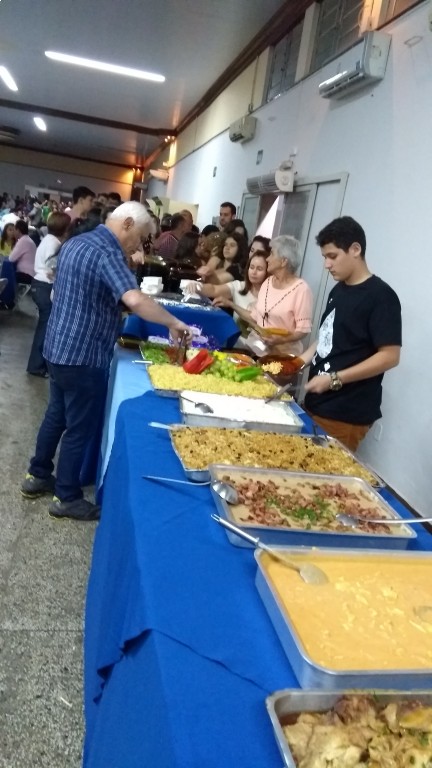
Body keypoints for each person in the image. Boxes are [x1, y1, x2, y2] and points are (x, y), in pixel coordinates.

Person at [20, 202, 192, 522]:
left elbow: (65, 293)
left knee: (56, 415)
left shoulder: (76, 242)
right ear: (127, 224)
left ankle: (37, 475)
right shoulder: (107, 252)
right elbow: (134, 298)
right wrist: (173, 322)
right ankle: (66, 496)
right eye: (139, 238)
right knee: (79, 427)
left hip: (57, 347)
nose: (137, 246)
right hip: (83, 354)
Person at [302, 216, 402, 452]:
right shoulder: (339, 290)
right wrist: (298, 361)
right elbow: (328, 336)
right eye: (324, 257)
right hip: (317, 402)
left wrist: (334, 379)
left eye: (332, 256)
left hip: (344, 412)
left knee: (325, 472)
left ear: (355, 249)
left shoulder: (381, 297)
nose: (327, 265)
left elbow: (390, 356)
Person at [250, 235, 313, 356]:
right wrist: (231, 304)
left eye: (272, 254)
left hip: (283, 356)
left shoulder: (301, 290)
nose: (267, 259)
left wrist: (282, 340)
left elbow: (303, 330)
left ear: (284, 261)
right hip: (257, 350)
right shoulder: (267, 282)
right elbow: (255, 316)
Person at [26, 212, 71, 377]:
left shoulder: (47, 239)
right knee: (45, 329)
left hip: (38, 284)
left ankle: (37, 365)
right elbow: (53, 270)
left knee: (44, 327)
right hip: (45, 286)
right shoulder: (55, 244)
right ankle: (36, 366)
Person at [185, 250, 268, 333]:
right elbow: (214, 289)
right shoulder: (239, 286)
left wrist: (231, 304)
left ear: (268, 272)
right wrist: (197, 286)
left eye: (259, 269)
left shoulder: (270, 295)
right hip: (236, 339)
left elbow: (256, 319)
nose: (254, 272)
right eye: (252, 267)